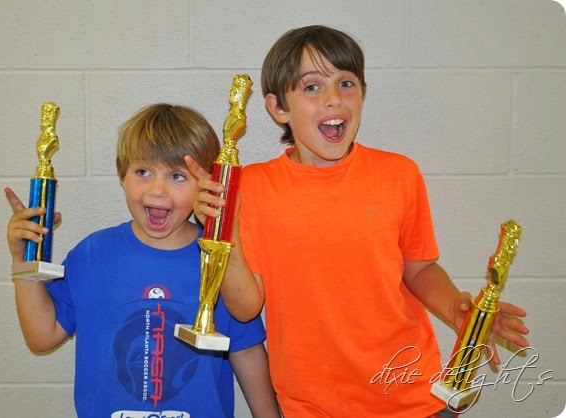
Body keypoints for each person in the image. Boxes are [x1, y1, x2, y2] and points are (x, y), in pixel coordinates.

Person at [188, 25, 530, 417]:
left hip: (413, 399)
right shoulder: (252, 186)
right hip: (311, 408)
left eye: (346, 83)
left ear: (362, 94)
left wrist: (456, 308)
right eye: (312, 87)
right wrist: (224, 227)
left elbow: (419, 270)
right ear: (279, 108)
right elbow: (246, 308)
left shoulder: (398, 175)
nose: (333, 98)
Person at [6, 103, 280, 418]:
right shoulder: (92, 255)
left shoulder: (220, 260)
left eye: (177, 175)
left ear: (206, 184)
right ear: (122, 174)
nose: (157, 190)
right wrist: (22, 261)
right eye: (143, 172)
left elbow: (247, 352)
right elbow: (41, 337)